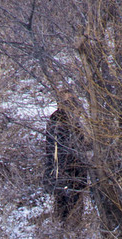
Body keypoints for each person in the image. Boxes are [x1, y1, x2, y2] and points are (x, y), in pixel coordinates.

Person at [43, 92, 88, 222]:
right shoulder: (59, 121)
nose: (73, 104)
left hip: (76, 176)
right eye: (68, 101)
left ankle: (73, 237)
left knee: (76, 213)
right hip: (64, 177)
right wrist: (60, 178)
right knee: (64, 214)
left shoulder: (74, 121)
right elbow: (56, 151)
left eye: (73, 99)